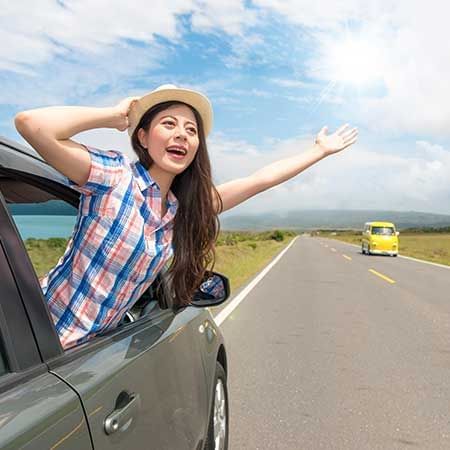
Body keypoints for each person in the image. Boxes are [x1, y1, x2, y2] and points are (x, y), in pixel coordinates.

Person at [14, 84, 358, 349]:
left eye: (191, 130)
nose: (182, 134)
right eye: (168, 124)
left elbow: (260, 179)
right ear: (144, 138)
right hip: (36, 343)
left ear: (195, 149)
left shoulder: (182, 210)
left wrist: (319, 151)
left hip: (83, 361)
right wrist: (114, 116)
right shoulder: (114, 177)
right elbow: (31, 124)